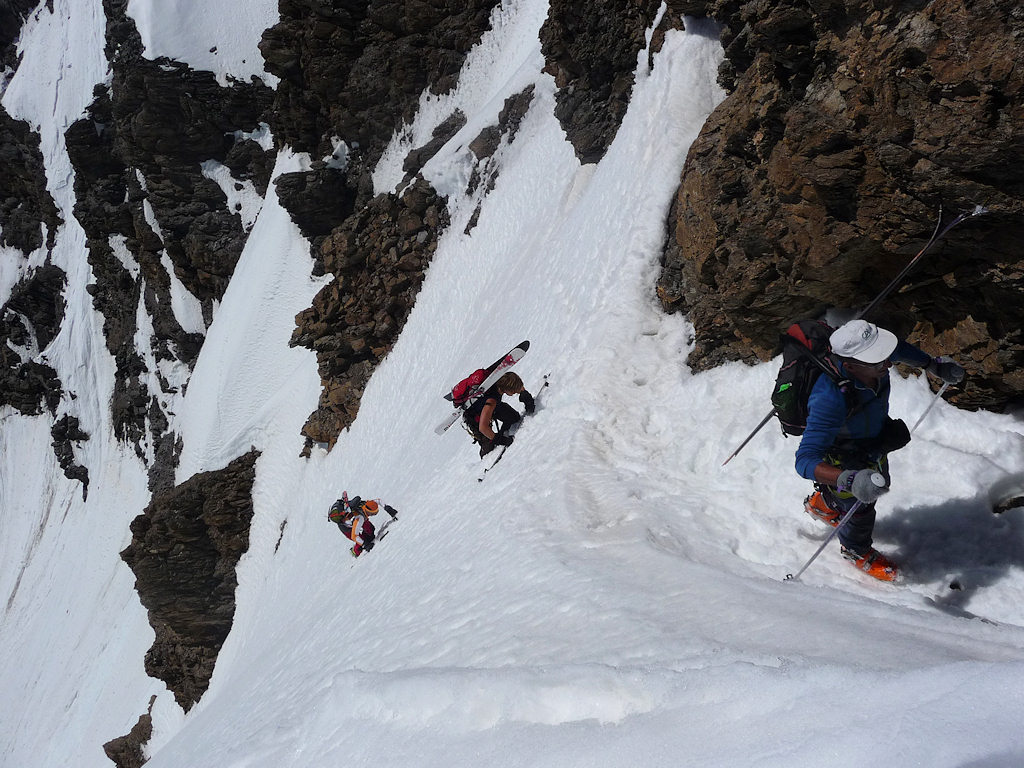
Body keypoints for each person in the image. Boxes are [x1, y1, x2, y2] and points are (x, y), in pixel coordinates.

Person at [795, 319, 964, 581]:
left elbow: (899, 351)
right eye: (878, 362)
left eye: (884, 357)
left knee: (878, 482)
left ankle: (824, 504)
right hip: (843, 456)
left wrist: (934, 366)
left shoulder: (871, 362)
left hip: (871, 440)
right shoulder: (829, 399)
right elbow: (804, 460)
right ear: (849, 365)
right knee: (862, 506)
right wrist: (848, 478)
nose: (887, 365)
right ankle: (855, 548)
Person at [463, 371, 534, 457]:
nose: (515, 393)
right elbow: (483, 427)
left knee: (513, 417)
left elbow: (516, 386)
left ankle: (502, 432)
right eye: (514, 392)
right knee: (489, 445)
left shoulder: (501, 381)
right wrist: (500, 440)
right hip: (475, 416)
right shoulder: (491, 401)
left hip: (492, 407)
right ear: (508, 389)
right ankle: (485, 460)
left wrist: (525, 396)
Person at [328, 495, 398, 557]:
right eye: (372, 514)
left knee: (370, 530)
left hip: (353, 519)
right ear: (367, 511)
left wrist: (387, 507)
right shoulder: (360, 518)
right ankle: (355, 552)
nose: (372, 515)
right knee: (361, 541)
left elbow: (378, 501)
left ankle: (367, 540)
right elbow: (354, 536)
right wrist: (365, 544)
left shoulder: (365, 504)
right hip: (346, 528)